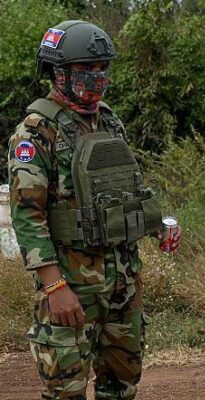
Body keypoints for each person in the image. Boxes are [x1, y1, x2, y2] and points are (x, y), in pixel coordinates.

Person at [8, 20, 183, 399]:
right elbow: (27, 216)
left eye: (103, 68)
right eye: (86, 68)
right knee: (65, 391)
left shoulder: (108, 120)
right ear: (58, 72)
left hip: (123, 282)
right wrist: (54, 286)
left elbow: (125, 191)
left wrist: (158, 224)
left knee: (122, 386)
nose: (97, 76)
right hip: (71, 285)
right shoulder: (36, 132)